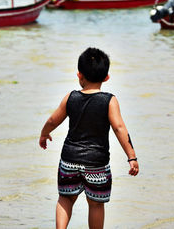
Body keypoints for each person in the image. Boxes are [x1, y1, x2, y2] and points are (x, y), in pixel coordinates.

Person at [39, 47, 139, 229]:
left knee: (65, 198)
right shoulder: (109, 100)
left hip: (69, 160)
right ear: (106, 77)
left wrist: (44, 133)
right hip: (97, 163)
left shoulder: (71, 97)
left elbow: (53, 120)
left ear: (79, 75)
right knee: (96, 204)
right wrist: (131, 156)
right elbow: (119, 128)